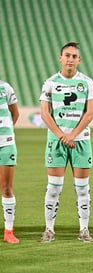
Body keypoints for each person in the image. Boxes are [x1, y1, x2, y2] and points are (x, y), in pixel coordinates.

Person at [39, 42, 93, 243]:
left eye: (74, 56)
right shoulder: (50, 82)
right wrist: (62, 135)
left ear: (79, 60)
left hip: (81, 141)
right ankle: (49, 230)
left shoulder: (88, 83)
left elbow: (90, 113)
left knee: (82, 188)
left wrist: (72, 135)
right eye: (67, 55)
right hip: (56, 141)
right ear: (60, 58)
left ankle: (84, 230)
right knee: (53, 187)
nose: (70, 59)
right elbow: (45, 114)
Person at [0, 80, 20, 243]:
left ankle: (9, 231)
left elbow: (15, 114)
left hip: (6, 143)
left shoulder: (5, 87)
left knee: (6, 188)